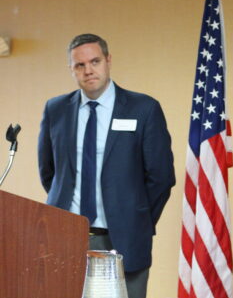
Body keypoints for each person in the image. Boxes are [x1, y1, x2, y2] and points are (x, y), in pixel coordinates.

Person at [38, 33, 175, 298]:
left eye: (95, 61)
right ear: (71, 69)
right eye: (80, 65)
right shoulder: (56, 109)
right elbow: (49, 172)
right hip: (64, 234)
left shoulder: (143, 108)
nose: (88, 70)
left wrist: (138, 218)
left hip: (123, 237)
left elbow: (160, 177)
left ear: (108, 60)